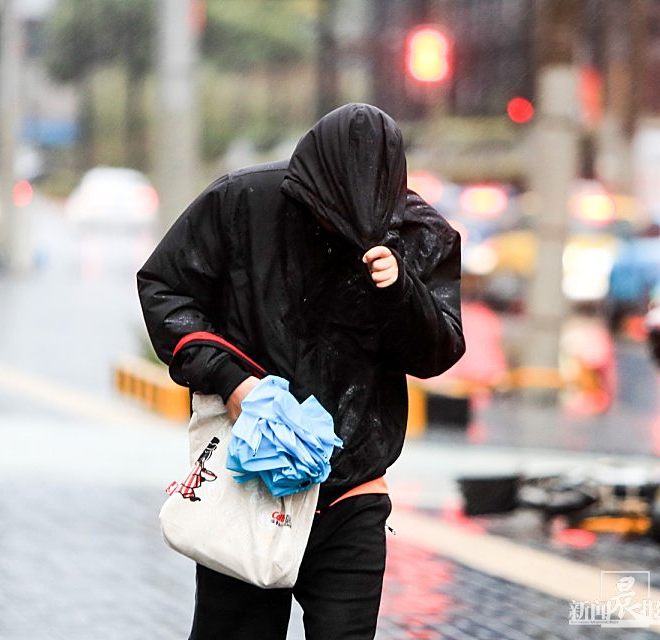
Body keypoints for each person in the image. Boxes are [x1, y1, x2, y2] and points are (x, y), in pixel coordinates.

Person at [137, 103, 465, 640]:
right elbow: (165, 287)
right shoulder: (242, 203)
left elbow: (438, 352)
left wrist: (399, 290)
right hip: (253, 475)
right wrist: (232, 380)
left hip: (353, 487)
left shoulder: (414, 231)